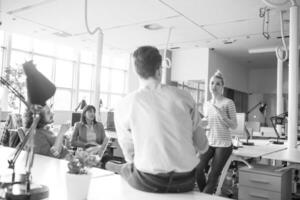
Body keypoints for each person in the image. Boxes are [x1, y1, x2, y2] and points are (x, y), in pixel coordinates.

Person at [111, 46, 208, 193]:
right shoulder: (184, 96)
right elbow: (203, 146)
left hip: (149, 181)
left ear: (136, 71)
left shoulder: (124, 105)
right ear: (159, 70)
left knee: (127, 168)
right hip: (186, 180)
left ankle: (112, 166)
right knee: (129, 168)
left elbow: (130, 154)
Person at [196, 70, 237, 194]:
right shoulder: (207, 104)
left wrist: (224, 116)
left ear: (222, 87)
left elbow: (234, 125)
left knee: (213, 175)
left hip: (223, 144)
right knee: (197, 168)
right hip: (209, 142)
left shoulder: (228, 103)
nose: (214, 86)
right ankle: (207, 195)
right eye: (212, 83)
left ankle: (205, 195)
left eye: (218, 84)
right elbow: (207, 121)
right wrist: (198, 123)